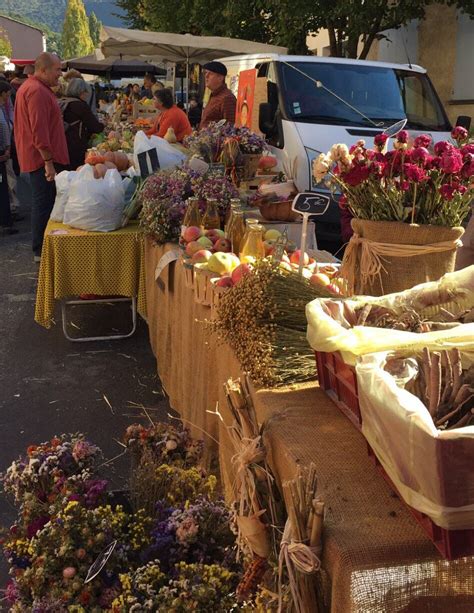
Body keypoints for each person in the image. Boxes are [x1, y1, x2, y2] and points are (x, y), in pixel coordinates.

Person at [14, 52, 69, 262]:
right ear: (43, 70)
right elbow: (39, 131)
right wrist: (48, 161)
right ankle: (41, 250)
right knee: (44, 202)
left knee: (44, 201)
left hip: (37, 156)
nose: (60, 74)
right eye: (57, 70)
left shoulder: (33, 88)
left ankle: (42, 248)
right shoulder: (37, 91)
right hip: (41, 159)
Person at [60, 78, 104, 170]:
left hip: (60, 145)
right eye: (86, 92)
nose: (87, 95)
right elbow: (95, 127)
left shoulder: (62, 102)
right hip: (75, 148)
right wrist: (103, 125)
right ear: (81, 91)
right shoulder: (80, 106)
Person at [0, 81, 17, 235]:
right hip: (1, 155)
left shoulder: (1, 109)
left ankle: (6, 219)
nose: (8, 97)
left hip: (3, 153)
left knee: (3, 186)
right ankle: (4, 222)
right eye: (7, 93)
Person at [199, 61, 236, 129]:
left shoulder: (227, 98)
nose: (206, 76)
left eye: (210, 74)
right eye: (206, 73)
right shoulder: (214, 95)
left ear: (220, 78)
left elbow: (230, 128)